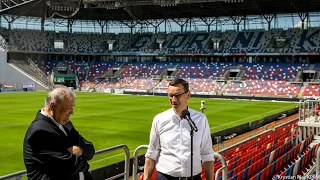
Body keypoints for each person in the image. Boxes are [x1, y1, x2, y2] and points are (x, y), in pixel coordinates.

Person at [144, 78, 214, 180]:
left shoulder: (201, 119)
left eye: (177, 95)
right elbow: (151, 153)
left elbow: (207, 154)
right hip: (165, 177)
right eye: (170, 95)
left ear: (188, 95)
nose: (173, 99)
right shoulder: (159, 119)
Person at [23, 87, 95, 180]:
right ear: (52, 106)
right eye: (68, 108)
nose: (72, 112)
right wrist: (82, 158)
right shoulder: (39, 131)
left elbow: (90, 149)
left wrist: (80, 150)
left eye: (72, 107)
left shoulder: (66, 123)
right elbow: (70, 167)